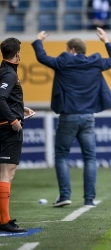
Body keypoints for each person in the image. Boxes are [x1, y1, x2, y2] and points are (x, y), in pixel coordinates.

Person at [31, 28, 111, 207]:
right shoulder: (94, 62)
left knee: (62, 155)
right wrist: (106, 40)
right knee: (90, 158)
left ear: (71, 49)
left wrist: (38, 40)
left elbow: (42, 57)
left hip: (69, 116)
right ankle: (89, 200)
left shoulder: (63, 62)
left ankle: (64, 196)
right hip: (88, 117)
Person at [0, 37, 35, 232]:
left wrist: (20, 109)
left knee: (3, 173)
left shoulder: (3, 71)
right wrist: (14, 121)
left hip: (3, 125)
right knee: (7, 173)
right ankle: (4, 221)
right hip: (7, 129)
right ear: (17, 53)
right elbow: (0, 99)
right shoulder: (9, 74)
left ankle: (3, 219)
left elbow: (5, 99)